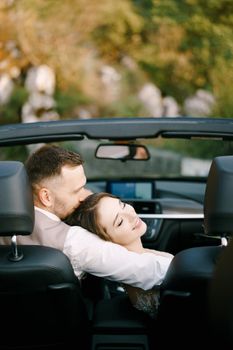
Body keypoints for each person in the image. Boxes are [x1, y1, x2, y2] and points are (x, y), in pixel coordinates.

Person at [0, 144, 173, 291]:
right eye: (76, 191)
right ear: (46, 197)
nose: (84, 196)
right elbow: (148, 271)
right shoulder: (74, 242)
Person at [65, 192, 173, 318]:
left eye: (122, 205)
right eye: (120, 222)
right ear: (106, 240)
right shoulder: (139, 273)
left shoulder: (144, 255)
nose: (131, 215)